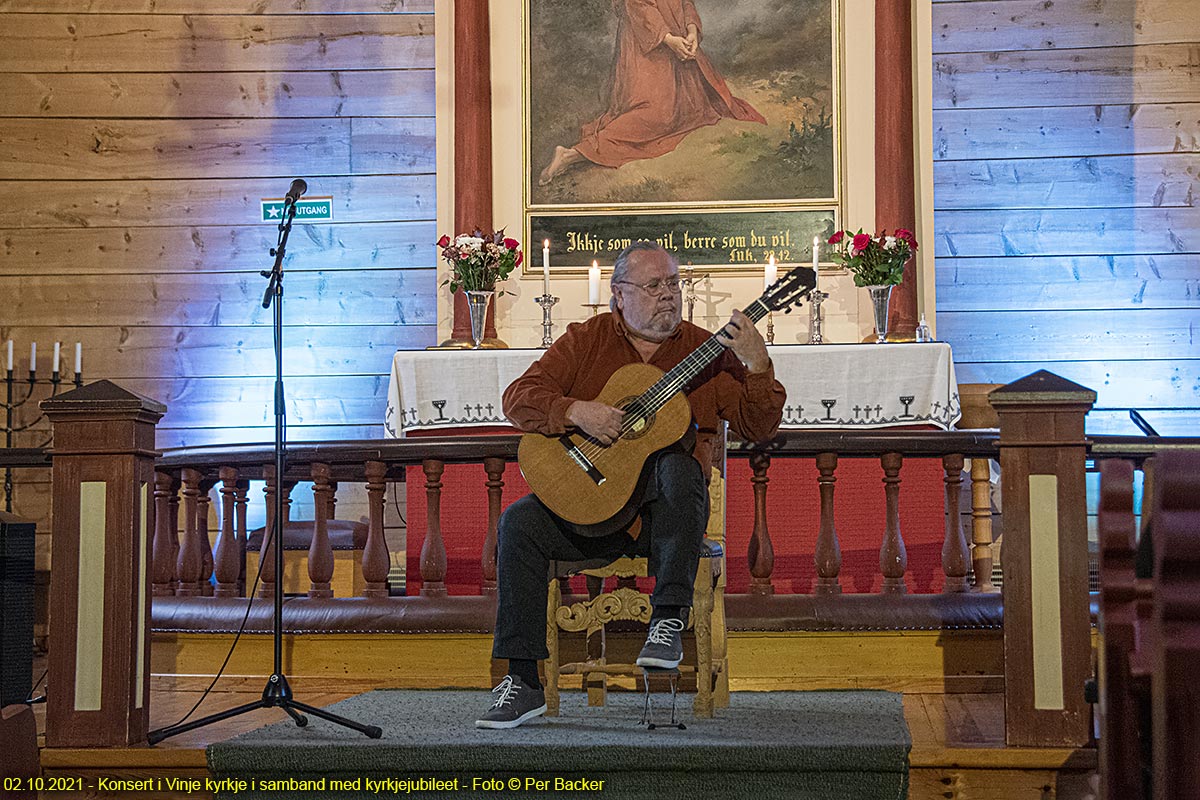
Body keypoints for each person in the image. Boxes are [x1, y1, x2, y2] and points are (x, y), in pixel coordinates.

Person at [475, 240, 785, 729]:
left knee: (678, 464)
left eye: (673, 284)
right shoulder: (586, 340)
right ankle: (523, 683)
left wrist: (758, 364)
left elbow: (758, 427)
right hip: (594, 511)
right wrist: (577, 411)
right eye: (654, 285)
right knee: (519, 522)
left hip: (669, 524)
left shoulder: (707, 351)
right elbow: (518, 398)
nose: (668, 295)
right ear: (619, 294)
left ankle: (667, 620)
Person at [538, 0, 767, 186]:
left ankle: (576, 154)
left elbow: (686, 2)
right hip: (646, 49)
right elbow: (637, 5)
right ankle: (571, 155)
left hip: (677, 45)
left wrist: (691, 31)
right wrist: (668, 39)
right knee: (658, 115)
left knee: (693, 106)